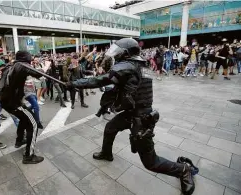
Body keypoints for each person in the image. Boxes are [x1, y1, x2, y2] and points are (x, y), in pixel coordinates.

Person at [66, 38, 196, 195]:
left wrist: (74, 83)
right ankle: (106, 153)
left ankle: (184, 170)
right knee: (110, 128)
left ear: (126, 53)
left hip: (141, 118)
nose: (115, 54)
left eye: (118, 51)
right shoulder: (139, 65)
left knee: (151, 163)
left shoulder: (127, 66)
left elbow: (100, 80)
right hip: (133, 112)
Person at [0, 51, 51, 164]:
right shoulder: (21, 65)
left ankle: (19, 141)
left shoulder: (12, 65)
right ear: (26, 59)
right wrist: (46, 66)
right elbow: (38, 73)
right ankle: (28, 156)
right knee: (33, 125)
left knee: (24, 118)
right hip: (13, 103)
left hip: (9, 101)